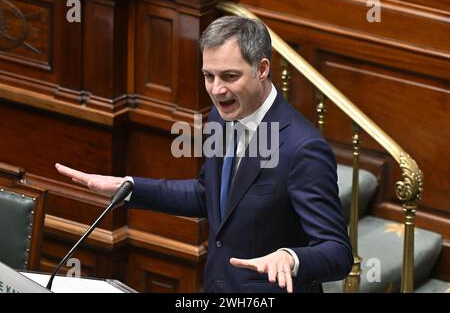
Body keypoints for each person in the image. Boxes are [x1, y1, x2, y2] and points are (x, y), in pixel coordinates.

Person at [55, 16, 352, 293]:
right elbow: (205, 195)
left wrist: (290, 258)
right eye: (208, 76)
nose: (217, 89)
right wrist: (129, 187)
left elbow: (338, 252)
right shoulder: (220, 118)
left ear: (262, 69)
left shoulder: (303, 147)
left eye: (230, 76)